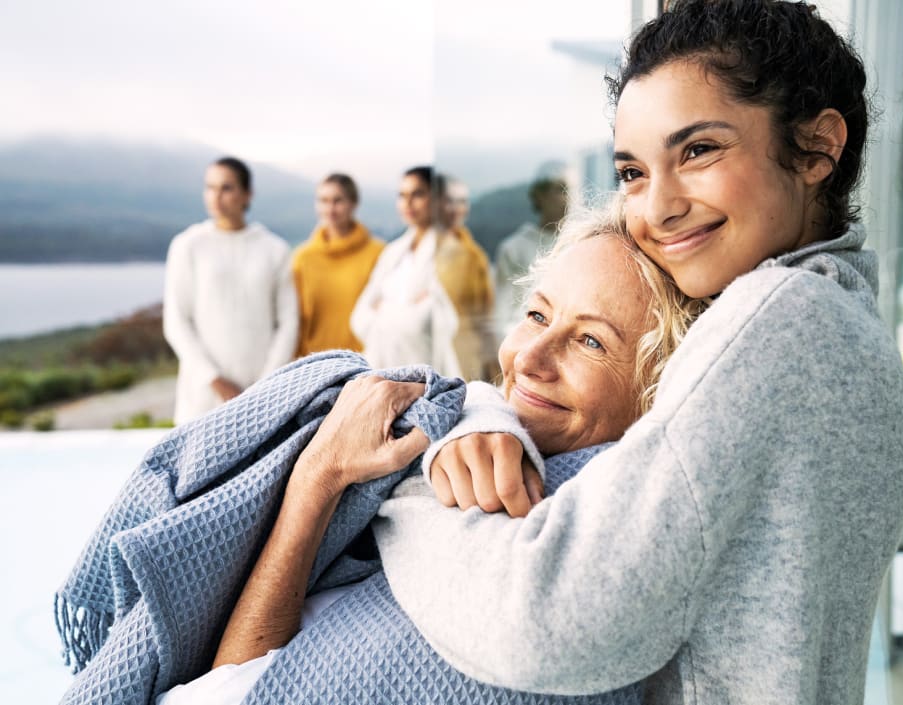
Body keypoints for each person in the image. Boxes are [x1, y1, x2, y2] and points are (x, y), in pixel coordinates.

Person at [369, 2, 903, 704]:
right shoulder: (846, 324)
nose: (656, 208)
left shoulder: (779, 318)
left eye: (698, 151)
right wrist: (485, 410)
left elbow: (543, 619)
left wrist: (406, 487)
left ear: (816, 149)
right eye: (632, 171)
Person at [148, 203, 702, 704]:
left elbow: (224, 693)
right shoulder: (458, 437)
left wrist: (330, 473)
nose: (528, 359)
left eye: (591, 342)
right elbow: (233, 680)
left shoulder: (582, 557)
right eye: (536, 315)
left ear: (663, 383)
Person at [163, 157, 297, 424]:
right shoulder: (188, 245)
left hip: (261, 397)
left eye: (226, 188)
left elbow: (288, 322)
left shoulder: (274, 249)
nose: (216, 196)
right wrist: (214, 379)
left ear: (247, 194)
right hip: (202, 395)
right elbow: (176, 321)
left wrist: (264, 386)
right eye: (210, 187)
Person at [350, 166, 461, 376]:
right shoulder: (392, 253)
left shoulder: (451, 252)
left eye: (417, 194)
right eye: (402, 195)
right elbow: (359, 318)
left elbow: (442, 322)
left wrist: (384, 309)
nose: (408, 203)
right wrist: (409, 311)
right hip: (381, 370)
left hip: (429, 373)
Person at [291, 173, 384, 356]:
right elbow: (296, 320)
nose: (330, 208)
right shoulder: (303, 258)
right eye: (323, 201)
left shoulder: (378, 253)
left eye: (338, 201)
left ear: (354, 203)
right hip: (314, 363)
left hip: (366, 361)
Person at [433, 174, 498, 380]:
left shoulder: (474, 256)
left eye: (461, 201)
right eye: (448, 201)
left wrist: (493, 365)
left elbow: (485, 316)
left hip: (466, 357)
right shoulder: (409, 252)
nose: (456, 208)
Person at [493, 161, 569, 337]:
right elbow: (503, 313)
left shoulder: (584, 245)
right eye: (560, 189)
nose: (567, 197)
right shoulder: (513, 249)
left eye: (571, 189)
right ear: (540, 195)